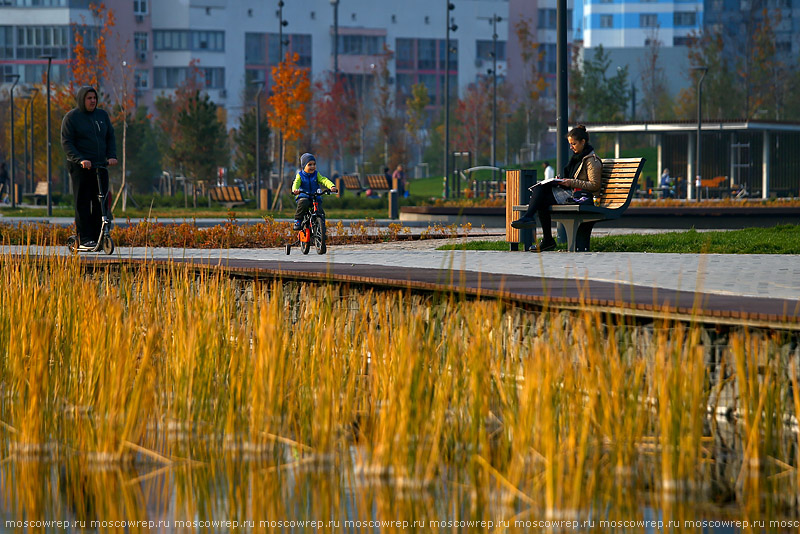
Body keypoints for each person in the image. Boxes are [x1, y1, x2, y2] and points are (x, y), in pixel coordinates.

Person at [511, 125, 602, 252]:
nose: (571, 147)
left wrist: (570, 182)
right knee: (540, 189)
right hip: (569, 192)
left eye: (574, 144)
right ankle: (534, 224)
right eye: (570, 144)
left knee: (541, 196)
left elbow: (595, 185)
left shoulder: (592, 161)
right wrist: (559, 180)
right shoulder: (577, 158)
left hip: (579, 196)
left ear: (583, 142)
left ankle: (539, 229)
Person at [61, 86, 117, 249]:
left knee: (101, 201)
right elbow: (67, 143)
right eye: (89, 98)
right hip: (81, 167)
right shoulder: (72, 118)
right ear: (81, 100)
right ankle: (84, 238)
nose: (93, 101)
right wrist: (80, 159)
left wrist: (111, 155)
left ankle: (99, 237)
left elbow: (110, 136)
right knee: (83, 202)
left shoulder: (102, 116)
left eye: (94, 98)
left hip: (100, 165)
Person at [291, 153, 338, 230]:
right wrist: (295, 190)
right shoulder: (300, 175)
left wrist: (331, 186)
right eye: (309, 164)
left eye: (314, 164)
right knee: (303, 203)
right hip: (304, 196)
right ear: (304, 166)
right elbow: (296, 183)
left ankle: (322, 229)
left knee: (320, 212)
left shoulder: (316, 174)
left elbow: (324, 180)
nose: (312, 166)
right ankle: (298, 221)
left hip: (315, 197)